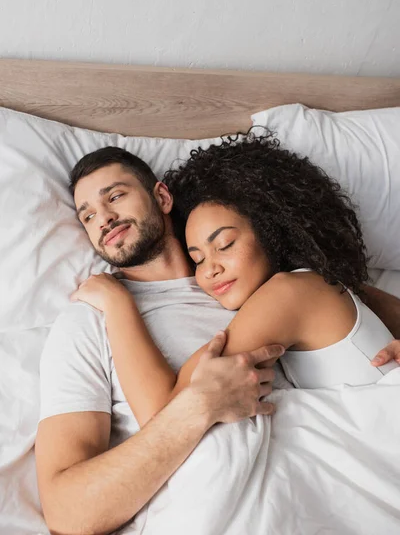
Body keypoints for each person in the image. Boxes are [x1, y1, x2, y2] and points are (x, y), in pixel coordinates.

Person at [36, 142, 400, 535]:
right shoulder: (89, 319)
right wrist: (120, 308)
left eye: (116, 196)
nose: (103, 218)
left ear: (161, 196)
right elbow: (66, 514)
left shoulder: (259, 280)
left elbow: (347, 292)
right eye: (87, 216)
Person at [71, 133, 400, 425]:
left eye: (225, 245)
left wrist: (117, 303)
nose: (210, 269)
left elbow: (165, 416)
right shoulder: (318, 282)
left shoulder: (289, 292)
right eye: (197, 258)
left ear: (271, 232)